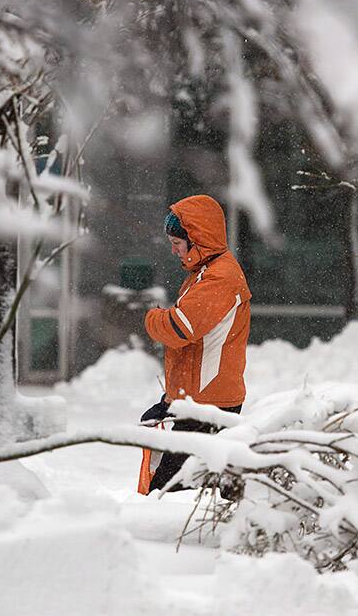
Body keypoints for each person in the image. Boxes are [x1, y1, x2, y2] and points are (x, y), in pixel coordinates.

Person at [140, 194, 251, 493]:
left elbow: (179, 328)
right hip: (201, 401)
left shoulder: (220, 278)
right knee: (205, 489)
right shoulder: (203, 274)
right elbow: (194, 351)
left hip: (211, 405)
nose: (174, 250)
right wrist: (171, 401)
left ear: (198, 239)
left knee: (167, 492)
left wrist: (152, 317)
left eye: (177, 243)